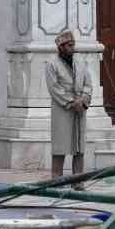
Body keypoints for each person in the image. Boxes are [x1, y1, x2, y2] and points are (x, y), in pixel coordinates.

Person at [45, 30, 92, 180]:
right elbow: (54, 88)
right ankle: (56, 180)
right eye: (69, 45)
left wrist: (83, 99)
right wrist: (71, 102)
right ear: (61, 47)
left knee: (79, 148)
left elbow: (88, 83)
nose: (73, 48)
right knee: (61, 146)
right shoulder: (52, 64)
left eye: (73, 45)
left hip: (80, 110)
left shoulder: (80, 62)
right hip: (63, 110)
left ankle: (78, 181)